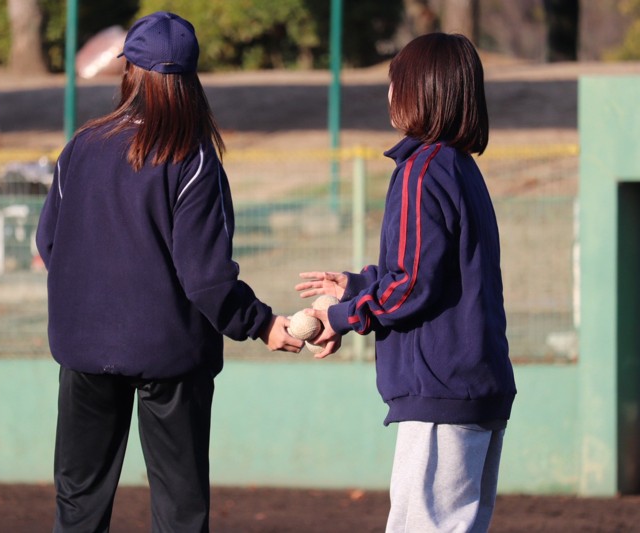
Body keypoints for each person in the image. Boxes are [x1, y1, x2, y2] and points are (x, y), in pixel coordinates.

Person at [35, 11, 303, 532]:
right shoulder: (193, 156)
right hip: (170, 356)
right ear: (189, 81)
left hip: (84, 350)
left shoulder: (81, 146)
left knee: (78, 505)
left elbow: (50, 242)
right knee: (179, 510)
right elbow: (205, 276)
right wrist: (262, 323)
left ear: (129, 72)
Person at [295, 33, 517, 533]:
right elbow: (433, 272)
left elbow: (413, 284)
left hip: (441, 385)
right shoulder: (460, 168)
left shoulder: (422, 169)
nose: (390, 94)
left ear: (421, 91)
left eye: (396, 82)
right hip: (475, 384)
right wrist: (356, 284)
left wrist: (340, 315)